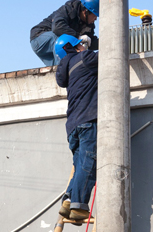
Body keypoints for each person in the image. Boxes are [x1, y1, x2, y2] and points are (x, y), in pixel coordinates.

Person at [55, 34, 98, 222]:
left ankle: (69, 198)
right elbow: (114, 55)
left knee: (80, 164)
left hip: (73, 125)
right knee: (89, 162)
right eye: (79, 44)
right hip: (88, 120)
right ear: (72, 48)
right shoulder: (85, 58)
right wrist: (87, 48)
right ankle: (79, 205)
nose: (82, 46)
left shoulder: (67, 70)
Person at [30, 0, 99, 66]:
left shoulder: (88, 24)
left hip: (54, 45)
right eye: (95, 15)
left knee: (68, 57)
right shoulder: (68, 9)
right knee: (62, 40)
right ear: (86, 12)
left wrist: (105, 44)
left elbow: (91, 42)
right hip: (39, 38)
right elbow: (58, 27)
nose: (96, 19)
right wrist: (77, 37)